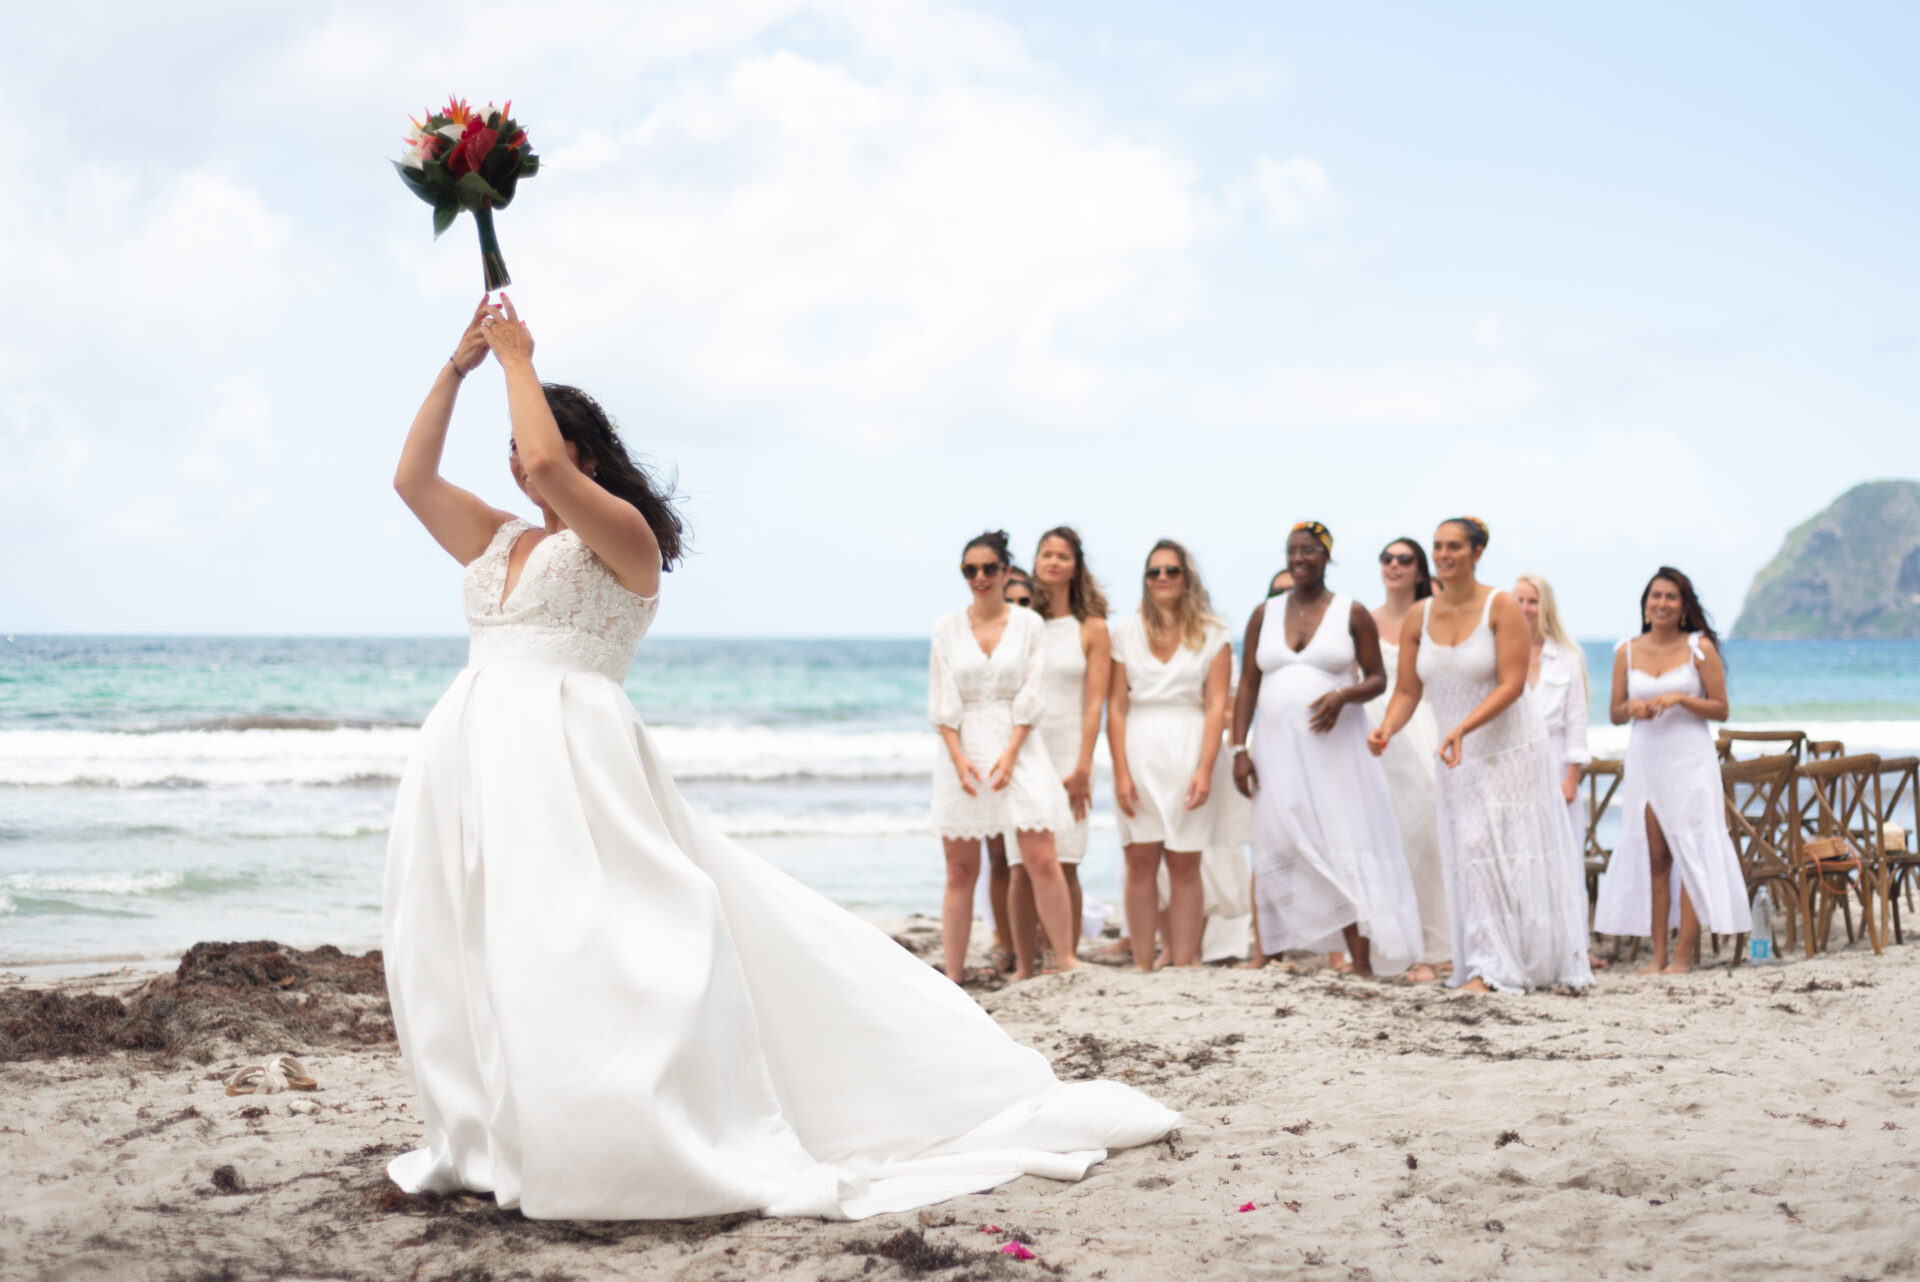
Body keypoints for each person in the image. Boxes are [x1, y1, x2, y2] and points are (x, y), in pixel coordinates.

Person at [383, 298, 1174, 1221]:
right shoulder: (501, 537)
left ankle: (609, 1124)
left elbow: (552, 465)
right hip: (474, 752)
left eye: (532, 444)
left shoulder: (623, 539)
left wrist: (519, 358)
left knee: (586, 939)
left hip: (572, 756)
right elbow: (410, 478)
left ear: (586, 452)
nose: (519, 463)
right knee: (477, 943)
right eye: (510, 452)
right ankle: (501, 1129)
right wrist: (459, 366)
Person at [1367, 518, 1593, 995]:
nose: (1445, 554)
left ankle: (1496, 968)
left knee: (1496, 848)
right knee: (1469, 849)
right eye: (1438, 547)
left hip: (1506, 745)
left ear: (1477, 550)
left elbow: (1512, 684)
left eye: (1455, 547)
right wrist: (1386, 728)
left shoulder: (1501, 605)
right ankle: (1486, 962)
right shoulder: (1419, 616)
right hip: (1455, 753)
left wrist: (1464, 727)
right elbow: (1407, 690)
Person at [1230, 524, 1423, 978]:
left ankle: (1360, 963)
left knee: (1343, 840)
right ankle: (1270, 953)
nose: (1300, 559)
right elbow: (1247, 687)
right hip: (1275, 753)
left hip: (1335, 753)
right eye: (1292, 551)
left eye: (1310, 551)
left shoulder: (1350, 613)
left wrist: (1342, 696)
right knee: (1275, 841)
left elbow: (1377, 678)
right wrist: (1239, 748)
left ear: (1326, 557)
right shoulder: (1264, 614)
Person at [930, 532, 1084, 982]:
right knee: (961, 867)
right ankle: (954, 972)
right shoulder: (946, 628)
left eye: (988, 569)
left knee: (1040, 854)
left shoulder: (1028, 625)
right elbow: (941, 702)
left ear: (1004, 571)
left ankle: (1065, 958)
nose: (979, 577)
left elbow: (1033, 695)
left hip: (1019, 744)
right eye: (969, 570)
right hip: (962, 749)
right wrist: (959, 760)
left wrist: (1012, 753)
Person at [1593, 567, 1751, 973]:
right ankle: (1658, 954)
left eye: (1670, 597)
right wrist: (1629, 708)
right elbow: (1613, 713)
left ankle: (1683, 956)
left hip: (1689, 759)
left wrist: (1681, 698)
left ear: (1683, 608)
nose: (1661, 603)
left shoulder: (1700, 648)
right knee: (1657, 857)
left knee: (1691, 849)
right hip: (1647, 759)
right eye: (1655, 596)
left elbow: (1721, 707)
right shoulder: (1625, 651)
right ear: (1645, 605)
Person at [1108, 540, 1233, 970]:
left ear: (1187, 577)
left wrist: (1205, 767)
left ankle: (1184, 963)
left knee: (1185, 862)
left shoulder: (1213, 633)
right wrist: (1121, 772)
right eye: (1153, 572)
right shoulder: (1125, 632)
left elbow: (1217, 704)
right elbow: (1116, 706)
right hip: (1139, 749)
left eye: (1171, 571)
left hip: (1189, 747)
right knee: (1139, 859)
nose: (1162, 578)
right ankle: (1143, 964)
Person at [1002, 527, 1111, 965]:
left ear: (1075, 566)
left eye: (1062, 555)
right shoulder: (1020, 623)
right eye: (1045, 554)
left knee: (1065, 861)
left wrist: (1084, 766)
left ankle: (1062, 956)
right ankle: (1025, 964)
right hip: (1026, 750)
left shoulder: (1093, 628)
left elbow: (1094, 705)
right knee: (1021, 868)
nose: (1052, 561)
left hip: (1071, 753)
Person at [1364, 537, 1450, 981]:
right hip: (1372, 734)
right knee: (1381, 840)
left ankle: (1435, 945)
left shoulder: (1432, 618)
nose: (1393, 565)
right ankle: (1394, 944)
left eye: (1404, 559)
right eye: (1387, 558)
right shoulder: (1363, 619)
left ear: (1420, 571)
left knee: (1424, 838)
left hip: (1420, 729)